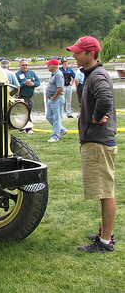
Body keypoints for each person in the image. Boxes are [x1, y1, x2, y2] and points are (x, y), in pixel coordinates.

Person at [66, 36, 117, 253]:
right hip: (97, 140)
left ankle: (105, 241)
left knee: (105, 191)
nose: (74, 55)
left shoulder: (97, 76)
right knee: (105, 189)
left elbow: (105, 99)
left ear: (91, 54)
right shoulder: (92, 74)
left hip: (98, 142)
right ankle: (106, 232)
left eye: (78, 52)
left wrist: (96, 117)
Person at [45, 58, 68, 142]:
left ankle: (55, 136)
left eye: (49, 65)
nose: (47, 66)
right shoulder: (53, 74)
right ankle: (61, 130)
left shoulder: (58, 74)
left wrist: (54, 97)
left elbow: (60, 87)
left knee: (56, 118)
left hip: (57, 99)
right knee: (49, 116)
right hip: (51, 99)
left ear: (53, 66)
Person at [15, 59, 40, 134]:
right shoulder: (17, 74)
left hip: (30, 97)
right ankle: (27, 129)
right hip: (22, 97)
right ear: (20, 66)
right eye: (23, 65)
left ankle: (26, 127)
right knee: (24, 113)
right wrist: (24, 84)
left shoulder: (32, 73)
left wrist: (33, 84)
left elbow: (38, 82)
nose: (25, 66)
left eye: (26, 65)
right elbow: (16, 85)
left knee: (29, 112)